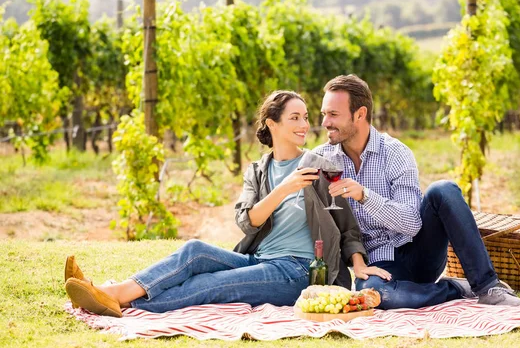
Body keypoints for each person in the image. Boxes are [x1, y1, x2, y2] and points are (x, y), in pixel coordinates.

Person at [64, 90, 389, 318]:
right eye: (295, 117)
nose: (305, 125)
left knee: (207, 285)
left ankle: (115, 297)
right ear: (272, 124)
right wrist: (284, 189)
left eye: (305, 117)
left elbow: (346, 226)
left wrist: (358, 265)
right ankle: (112, 294)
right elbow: (248, 222)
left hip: (299, 272)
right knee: (194, 251)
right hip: (258, 260)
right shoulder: (258, 171)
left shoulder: (318, 166)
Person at [313, 74, 520, 309]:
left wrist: (365, 196)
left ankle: (488, 287)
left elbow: (411, 223)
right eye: (324, 114)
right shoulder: (323, 159)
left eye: (333, 114)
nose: (325, 122)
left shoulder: (395, 152)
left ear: (360, 114)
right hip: (379, 263)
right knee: (372, 293)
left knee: (443, 190)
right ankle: (456, 288)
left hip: (419, 252)